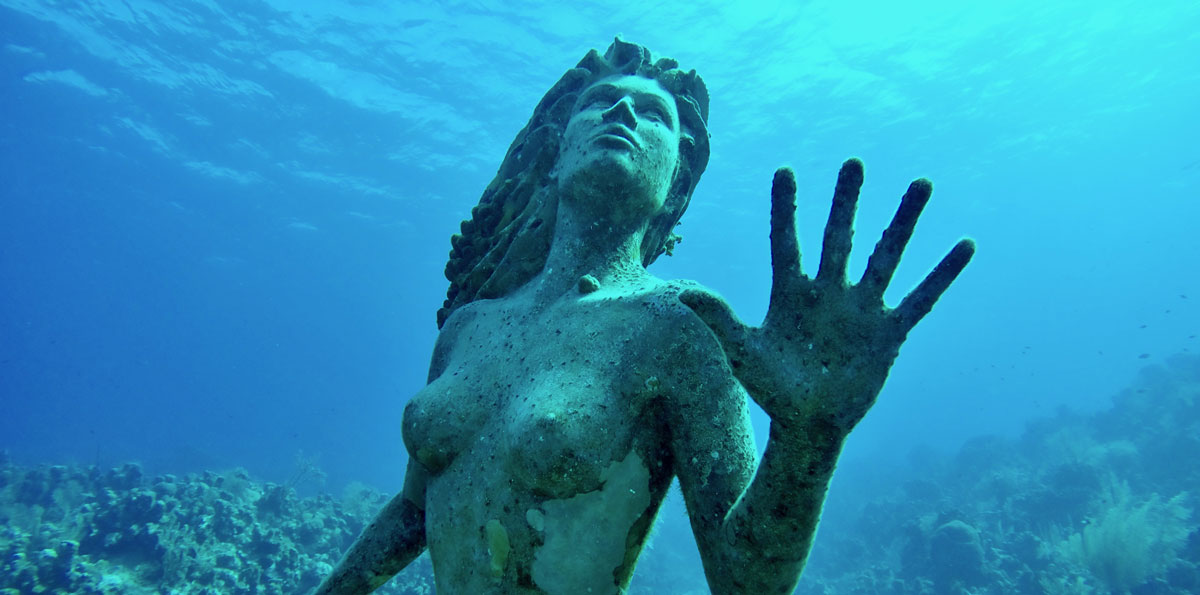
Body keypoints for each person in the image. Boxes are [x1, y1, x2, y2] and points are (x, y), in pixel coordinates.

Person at [314, 38, 974, 595]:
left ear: (677, 183)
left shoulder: (679, 326)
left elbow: (744, 577)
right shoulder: (468, 327)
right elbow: (415, 506)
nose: (624, 109)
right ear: (556, 152)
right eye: (599, 103)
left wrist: (809, 440)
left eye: (654, 115)